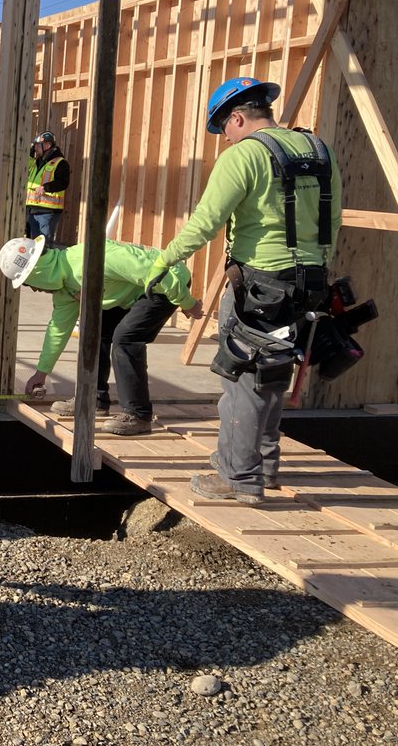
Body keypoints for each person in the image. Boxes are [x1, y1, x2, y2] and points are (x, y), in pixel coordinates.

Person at [147, 76, 342, 504]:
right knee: (274, 374)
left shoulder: (245, 157)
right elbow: (333, 218)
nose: (225, 141)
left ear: (237, 117)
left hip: (259, 286)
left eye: (224, 131)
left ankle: (238, 477)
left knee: (242, 378)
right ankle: (265, 466)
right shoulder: (317, 150)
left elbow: (206, 221)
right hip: (308, 284)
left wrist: (165, 260)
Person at [0, 234, 203, 436]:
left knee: (126, 338)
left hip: (166, 282)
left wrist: (187, 303)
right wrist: (41, 372)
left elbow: (156, 274)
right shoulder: (65, 289)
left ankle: (138, 414)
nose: (32, 289)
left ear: (37, 272)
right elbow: (57, 330)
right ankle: (93, 399)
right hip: (133, 292)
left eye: (27, 282)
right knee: (94, 330)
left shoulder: (93, 258)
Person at [25, 130, 70, 248]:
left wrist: (46, 188)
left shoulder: (60, 163)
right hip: (32, 209)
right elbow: (25, 163)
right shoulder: (37, 162)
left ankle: (46, 266)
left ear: (47, 145)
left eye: (37, 146)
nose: (35, 149)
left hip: (47, 211)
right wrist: (30, 151)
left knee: (44, 246)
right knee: (33, 245)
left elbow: (63, 183)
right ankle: (36, 266)